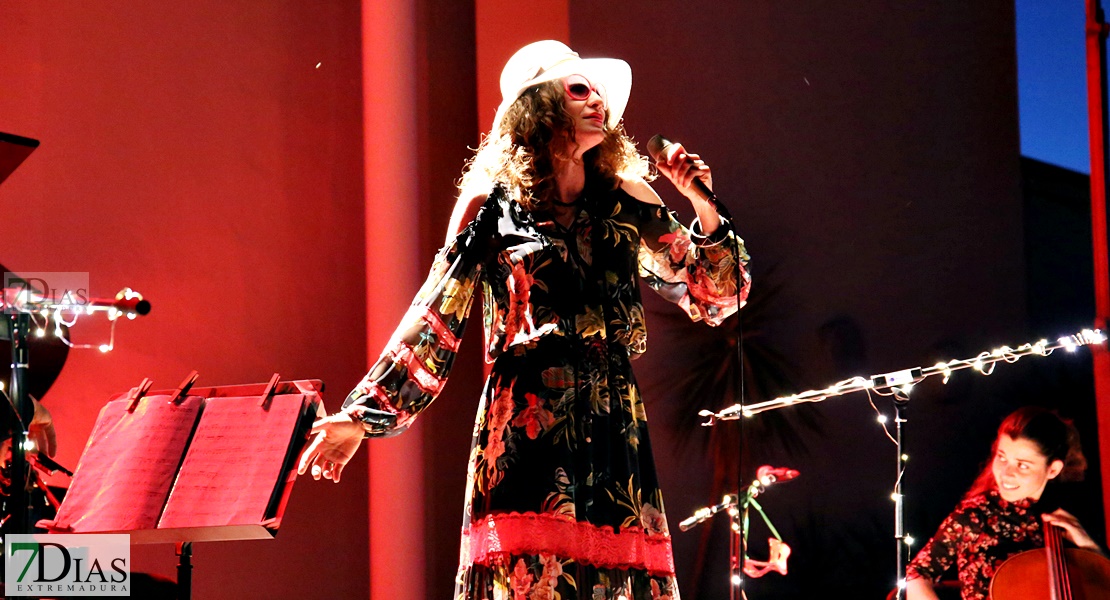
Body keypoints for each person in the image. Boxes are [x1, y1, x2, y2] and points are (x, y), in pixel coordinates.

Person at [298, 40, 750, 598]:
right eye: (577, 88)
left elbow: (716, 296)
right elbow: (438, 313)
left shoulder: (626, 197)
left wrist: (701, 204)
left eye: (597, 91)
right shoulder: (491, 204)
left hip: (612, 418)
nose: (596, 100)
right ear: (536, 108)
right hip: (525, 419)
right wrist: (363, 418)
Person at [905, 406, 1101, 600]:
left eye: (1022, 465)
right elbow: (917, 574)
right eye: (1002, 457)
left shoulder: (1066, 520)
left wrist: (1092, 549)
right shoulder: (975, 515)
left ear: (1053, 469)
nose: (1006, 473)